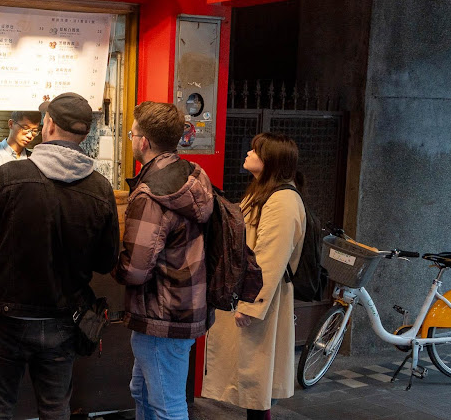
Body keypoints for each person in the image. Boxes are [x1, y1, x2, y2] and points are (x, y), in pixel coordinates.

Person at [0, 92, 119, 420]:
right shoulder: (101, 189)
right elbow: (106, 261)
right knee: (55, 410)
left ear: (47, 126)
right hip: (64, 318)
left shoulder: (13, 177)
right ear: (85, 135)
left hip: (8, 319)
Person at [111, 101, 214, 420]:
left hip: (162, 314)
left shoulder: (151, 194)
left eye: (131, 133)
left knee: (167, 405)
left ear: (143, 141)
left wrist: (109, 262)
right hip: (186, 304)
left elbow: (135, 269)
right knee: (142, 392)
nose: (131, 140)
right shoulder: (194, 174)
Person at [201, 132, 306, 420]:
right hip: (247, 293)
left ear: (270, 160)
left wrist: (250, 306)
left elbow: (269, 260)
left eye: (255, 151)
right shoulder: (262, 191)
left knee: (256, 381)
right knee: (252, 382)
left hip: (259, 299)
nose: (248, 154)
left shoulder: (282, 200)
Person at [0, 110, 42, 186]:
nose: (30, 135)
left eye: (34, 131)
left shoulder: (34, 159)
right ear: (11, 124)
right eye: (25, 128)